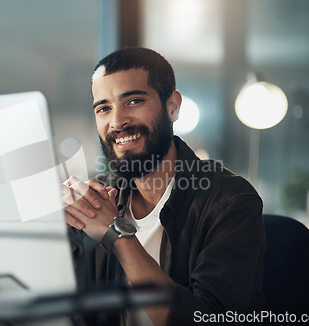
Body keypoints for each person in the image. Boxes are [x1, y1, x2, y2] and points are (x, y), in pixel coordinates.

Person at [62, 47, 265, 326]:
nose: (117, 121)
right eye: (104, 108)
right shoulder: (97, 199)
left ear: (172, 106)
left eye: (133, 101)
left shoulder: (230, 201)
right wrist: (50, 233)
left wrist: (116, 234)